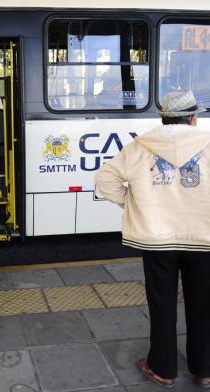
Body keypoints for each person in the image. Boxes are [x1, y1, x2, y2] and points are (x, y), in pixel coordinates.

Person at [95, 90, 210, 389]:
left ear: (163, 117)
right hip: (204, 239)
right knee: (204, 305)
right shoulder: (208, 141)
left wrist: (134, 205)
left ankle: (162, 369)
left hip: (157, 241)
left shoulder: (141, 146)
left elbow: (105, 180)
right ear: (193, 118)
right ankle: (205, 369)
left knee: (162, 304)